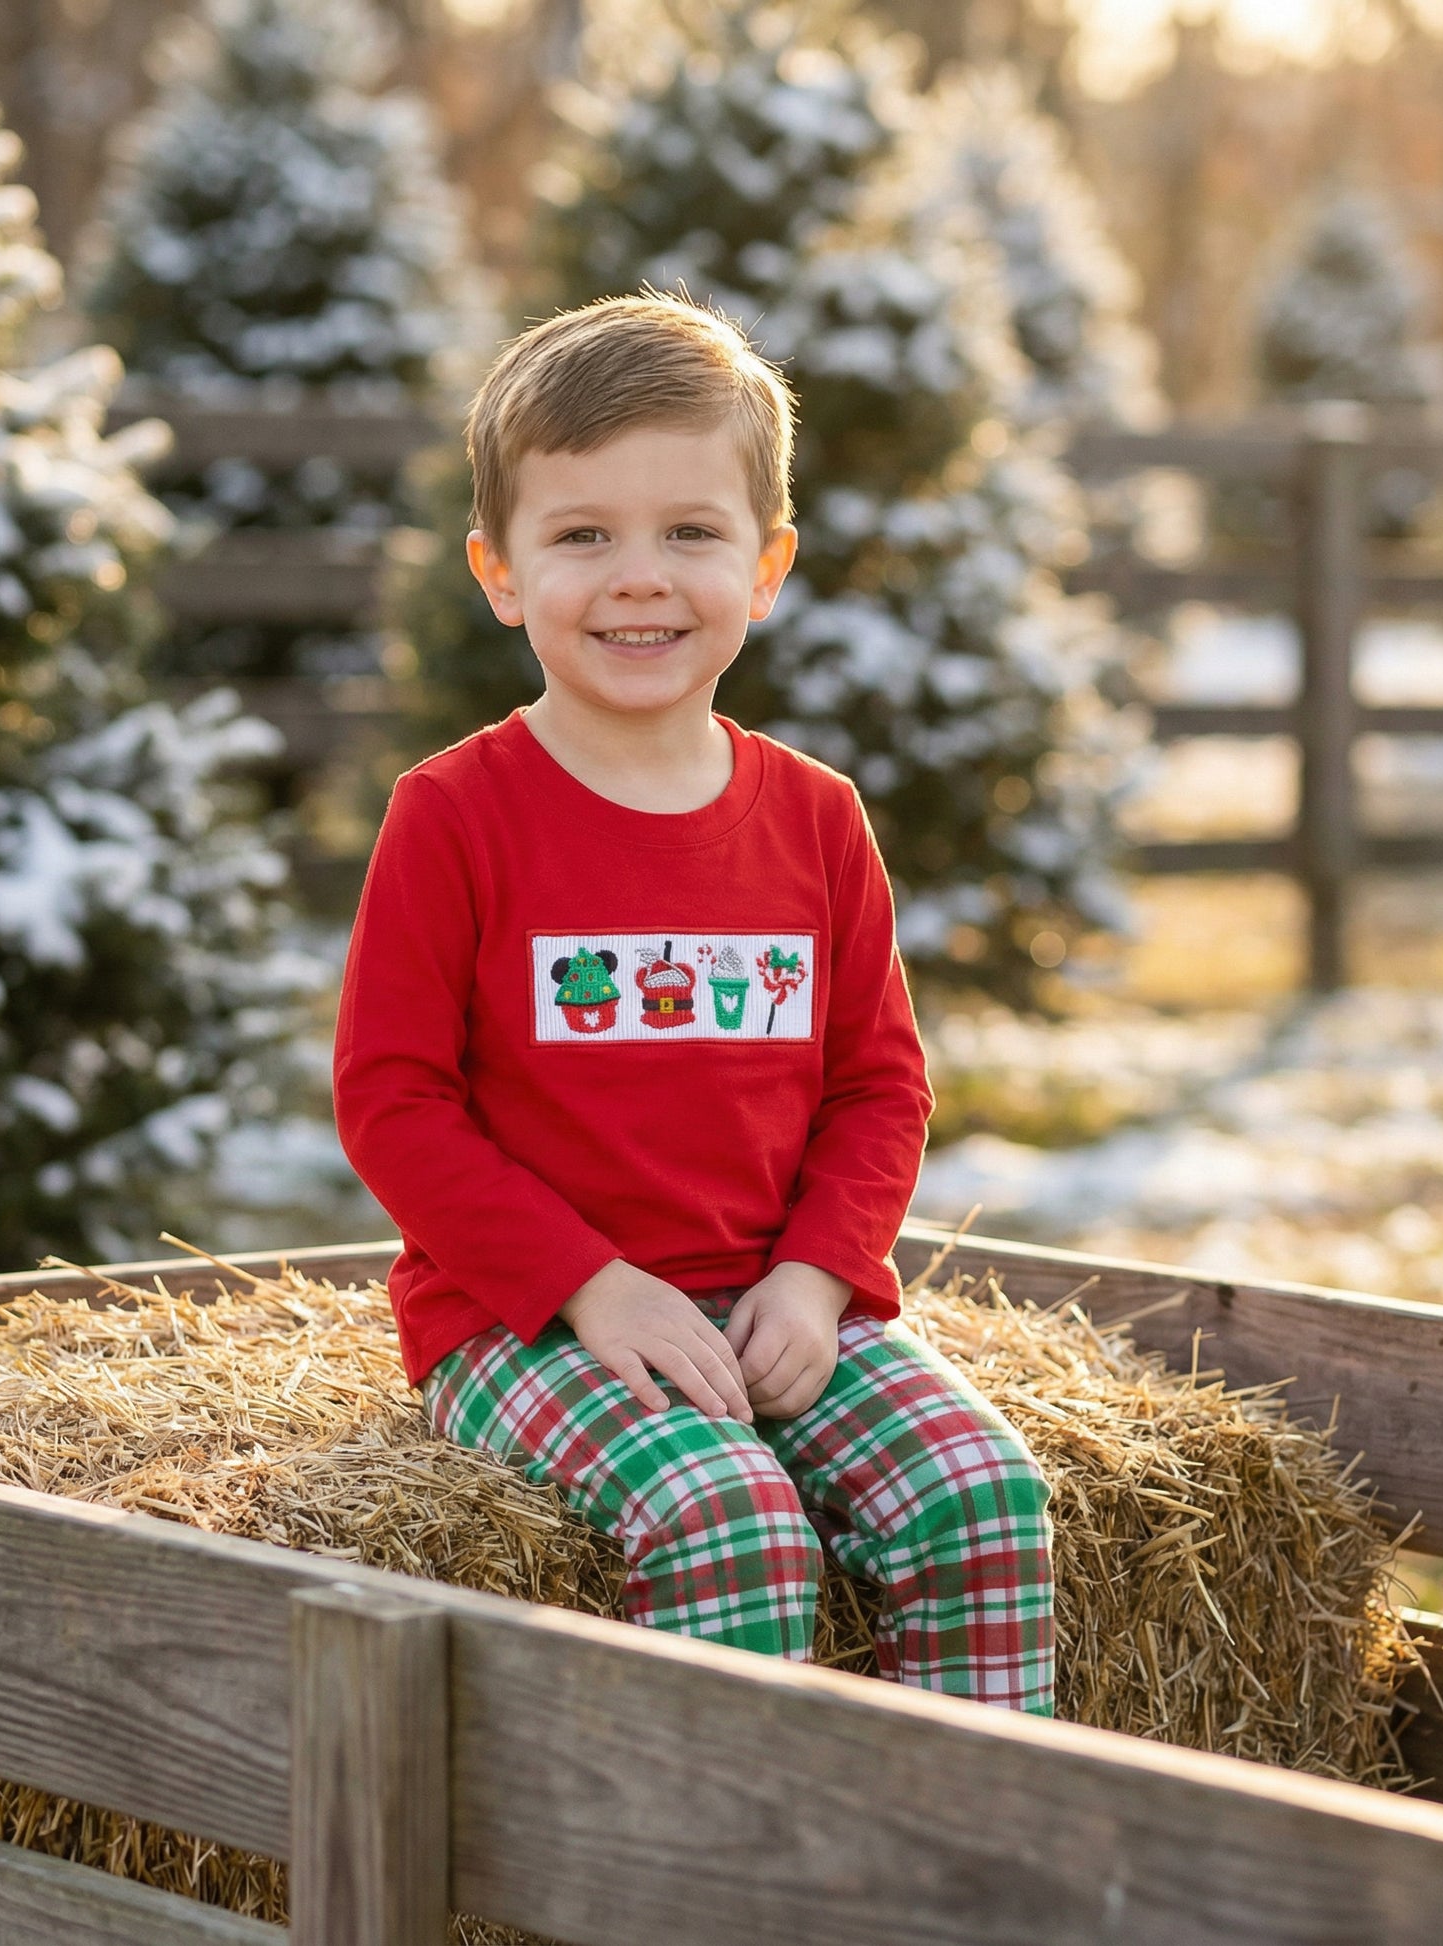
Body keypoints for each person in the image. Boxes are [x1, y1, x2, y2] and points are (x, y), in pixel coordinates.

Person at [332, 292, 1054, 1709]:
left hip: (779, 1298)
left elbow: (876, 1087)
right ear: (497, 570)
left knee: (984, 1495)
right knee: (730, 1521)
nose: (638, 577)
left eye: (690, 532)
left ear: (767, 564)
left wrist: (818, 1273)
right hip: (524, 1318)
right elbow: (393, 1102)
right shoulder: (455, 815)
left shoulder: (815, 818)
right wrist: (584, 1283)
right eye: (582, 534)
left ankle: (959, 1879)